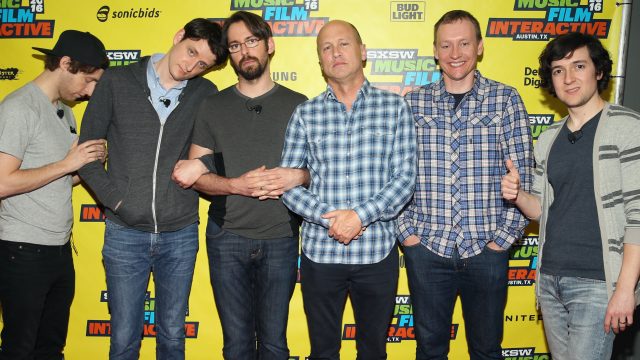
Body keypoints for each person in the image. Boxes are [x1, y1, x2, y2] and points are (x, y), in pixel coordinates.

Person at [77, 19, 228, 360]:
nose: (190, 65)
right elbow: (85, 156)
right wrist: (118, 201)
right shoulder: (116, 81)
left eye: (202, 64)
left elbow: (221, 154)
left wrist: (202, 165)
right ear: (178, 37)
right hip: (124, 232)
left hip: (181, 233)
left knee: (173, 336)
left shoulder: (205, 95)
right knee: (124, 339)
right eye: (191, 51)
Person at [170, 11, 308, 359]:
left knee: (275, 344)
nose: (244, 51)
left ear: (269, 45)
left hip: (281, 237)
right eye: (234, 45)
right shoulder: (212, 106)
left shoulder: (301, 106)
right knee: (236, 345)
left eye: (251, 41)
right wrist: (237, 185)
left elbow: (324, 171)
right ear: (229, 55)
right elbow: (196, 173)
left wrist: (300, 176)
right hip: (226, 238)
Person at [397, 10, 533, 359]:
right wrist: (408, 236)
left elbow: (525, 178)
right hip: (427, 249)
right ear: (435, 51)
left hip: (487, 251)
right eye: (446, 45)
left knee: (487, 350)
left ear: (480, 47)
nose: (455, 53)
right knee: (429, 349)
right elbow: (393, 173)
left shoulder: (506, 100)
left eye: (463, 43)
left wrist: (501, 242)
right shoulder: (412, 103)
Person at [279, 20, 416, 359]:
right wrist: (331, 220)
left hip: (377, 254)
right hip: (320, 255)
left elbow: (405, 179)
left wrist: (359, 217)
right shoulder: (305, 114)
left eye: (343, 44)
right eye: (326, 47)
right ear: (320, 60)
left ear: (363, 51)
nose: (335, 52)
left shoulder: (394, 108)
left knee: (373, 351)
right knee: (323, 351)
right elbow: (289, 184)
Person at [501, 32, 640, 360]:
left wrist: (624, 289)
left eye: (579, 66)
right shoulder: (549, 138)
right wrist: (517, 194)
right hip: (549, 279)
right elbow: (539, 209)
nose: (569, 78)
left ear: (599, 71)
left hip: (597, 282)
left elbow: (638, 217)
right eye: (559, 70)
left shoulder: (627, 127)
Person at [0, 30, 108, 359]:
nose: (89, 92)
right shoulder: (19, 108)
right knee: (20, 348)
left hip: (59, 249)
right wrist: (66, 163)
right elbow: (2, 183)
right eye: (88, 81)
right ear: (64, 64)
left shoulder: (65, 111)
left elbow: (58, 179)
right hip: (22, 249)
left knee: (50, 348)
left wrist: (82, 165)